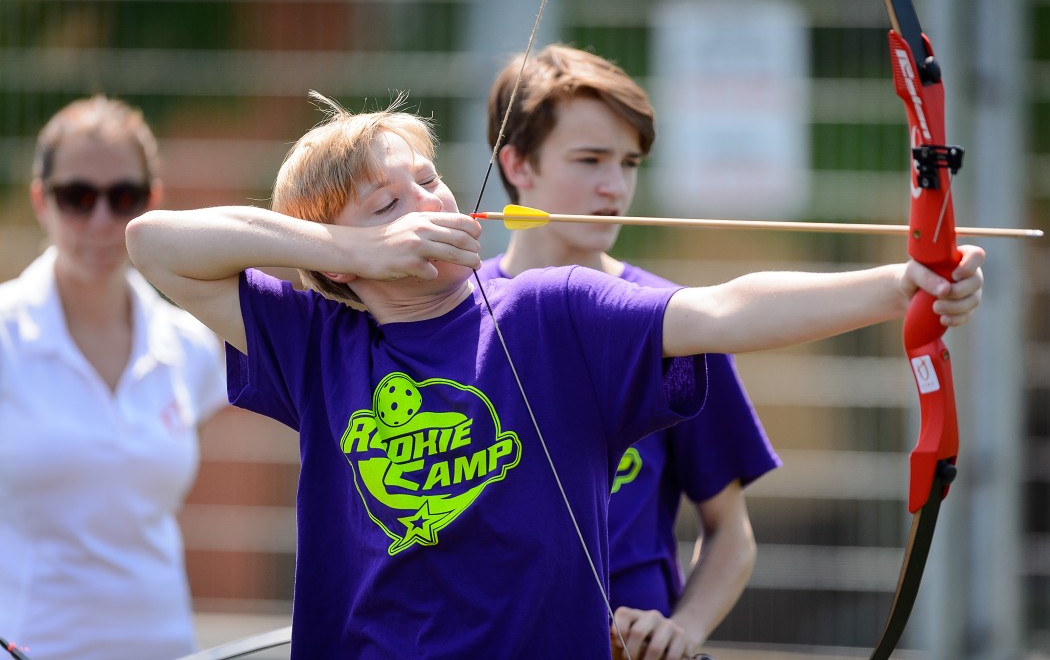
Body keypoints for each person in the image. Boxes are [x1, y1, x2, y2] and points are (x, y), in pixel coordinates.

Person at [124, 92, 984, 659]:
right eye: (388, 203)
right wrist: (348, 247)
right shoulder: (318, 340)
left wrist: (902, 283)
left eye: (428, 180)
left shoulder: (551, 312)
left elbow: (726, 310)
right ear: (342, 264)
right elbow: (153, 243)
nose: (426, 202)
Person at [478, 43, 780, 659]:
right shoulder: (452, 314)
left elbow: (731, 533)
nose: (614, 186)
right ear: (517, 165)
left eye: (630, 162)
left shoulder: (671, 323)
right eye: (589, 159)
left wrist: (684, 628)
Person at [0, 96, 229, 660]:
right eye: (77, 197)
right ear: (41, 200)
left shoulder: (187, 344)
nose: (101, 221)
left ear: (152, 203)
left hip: (166, 648)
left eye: (123, 197)